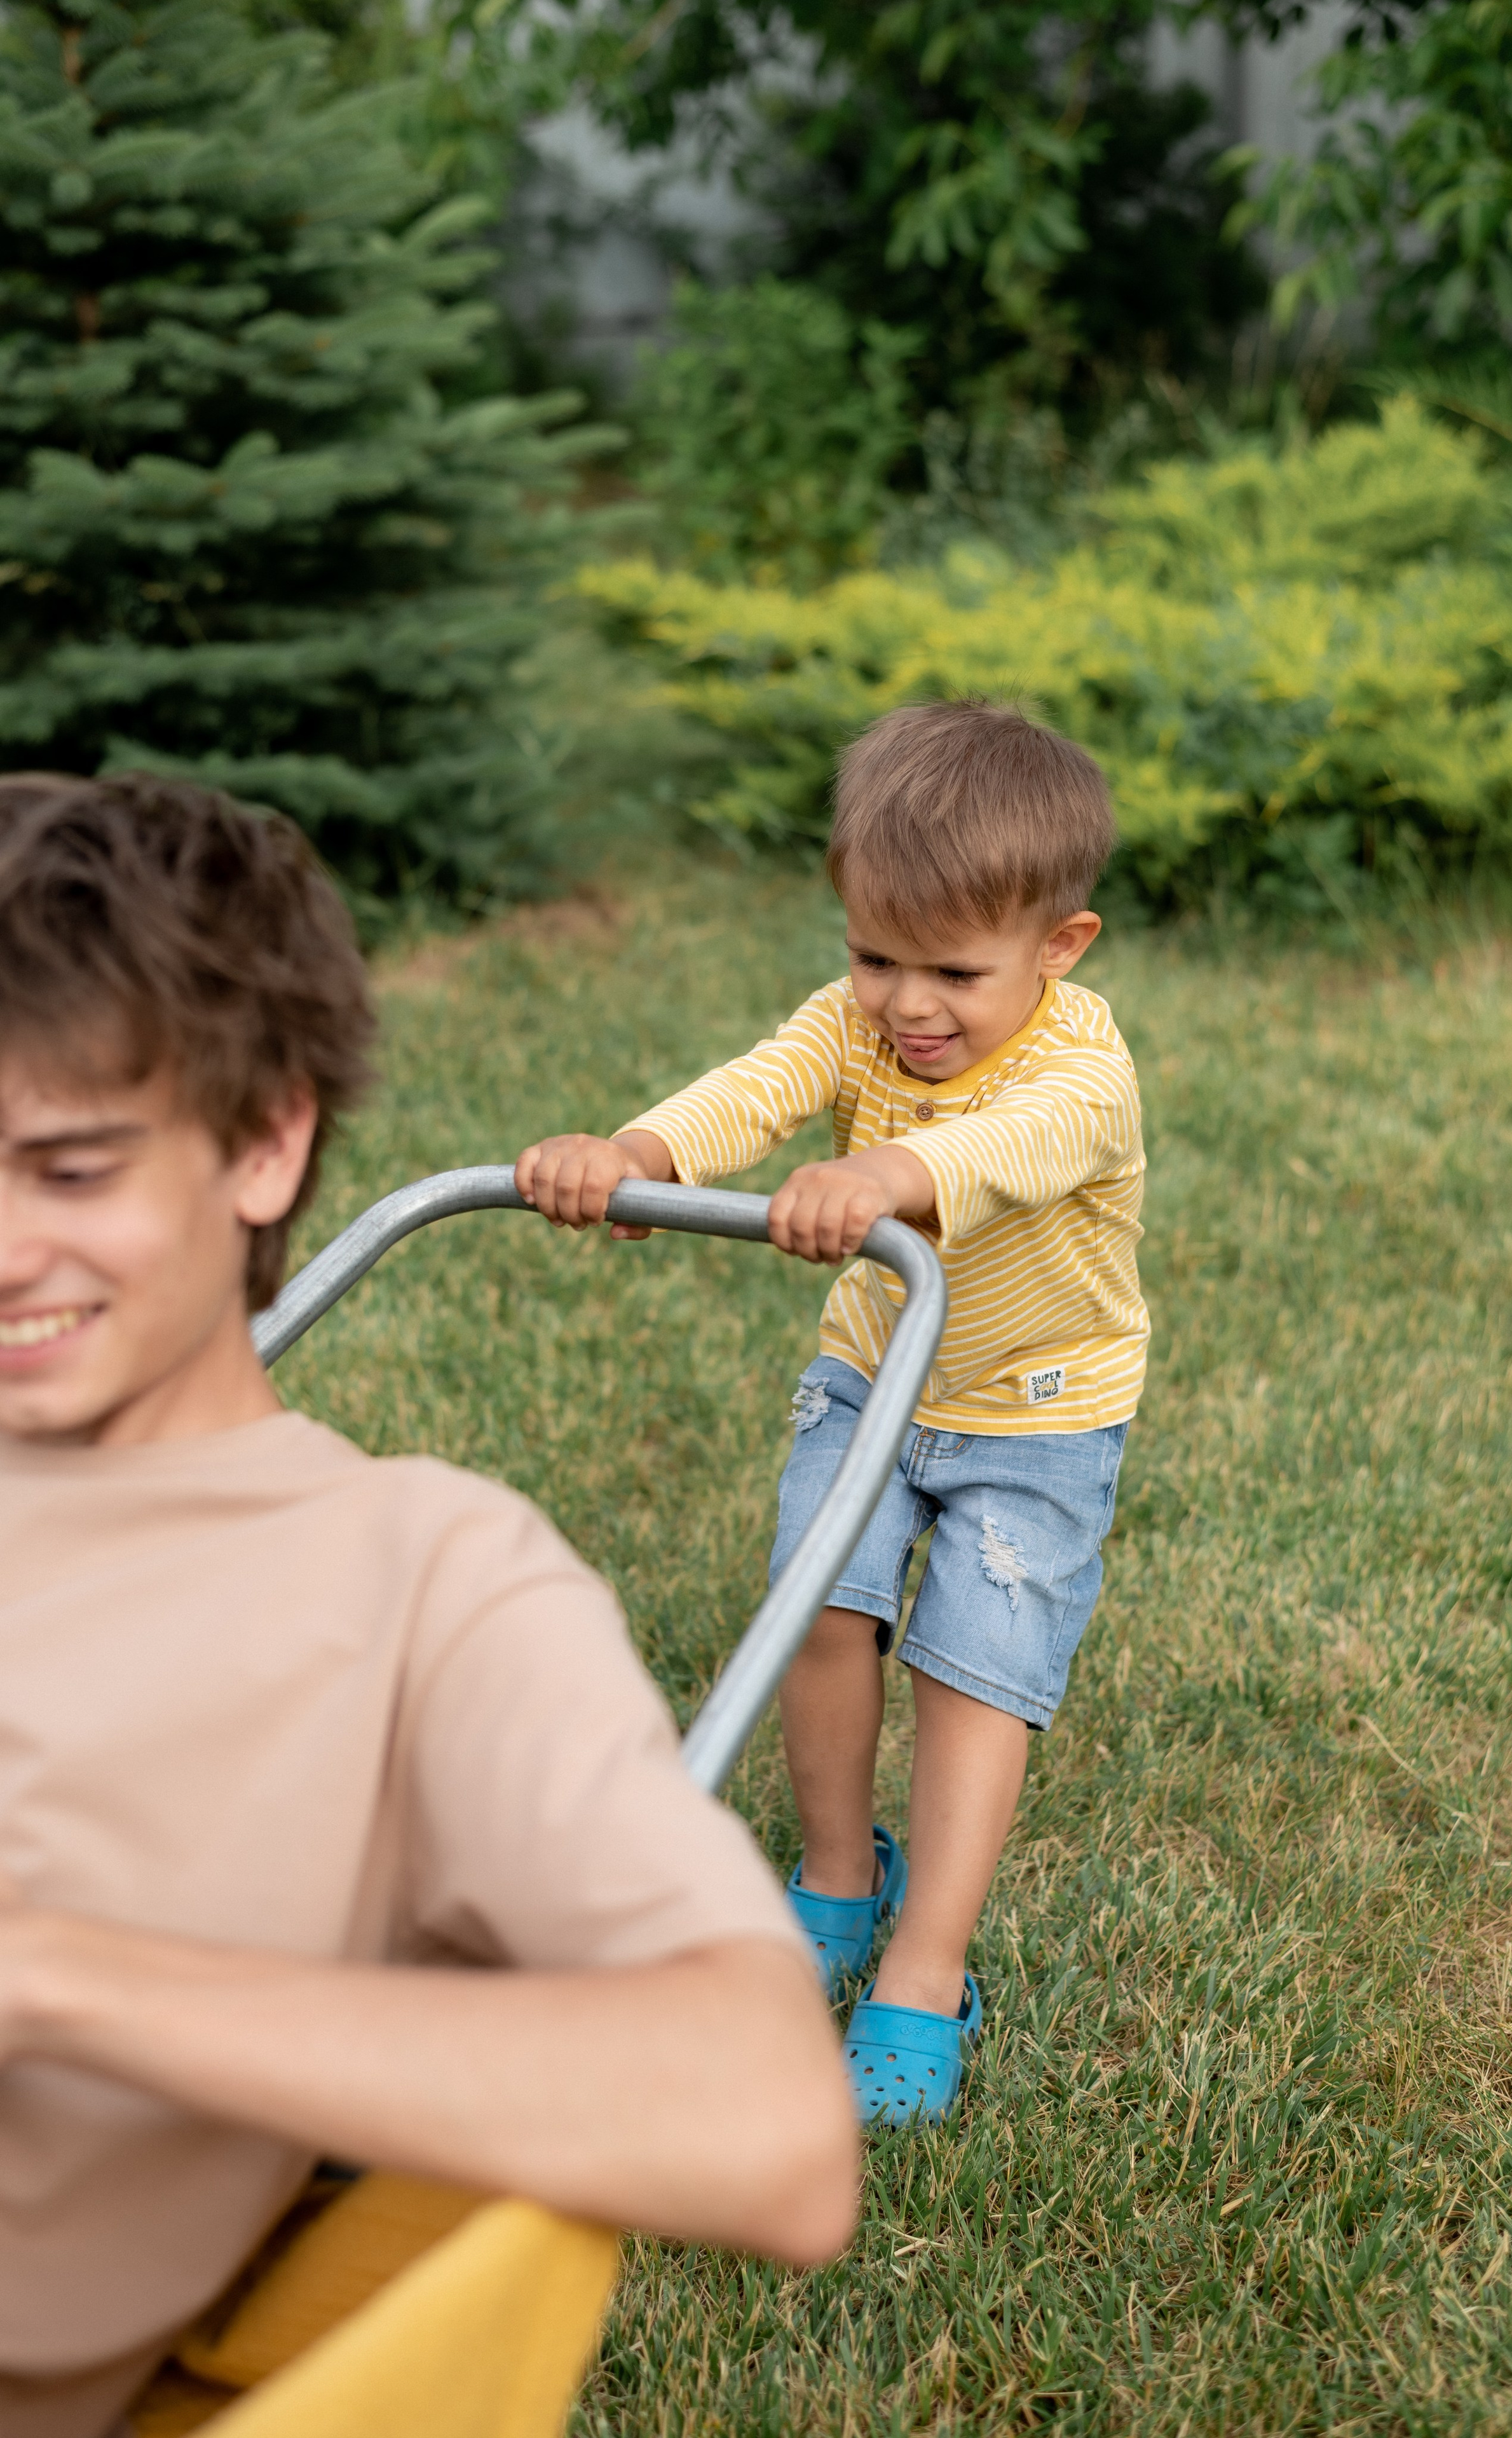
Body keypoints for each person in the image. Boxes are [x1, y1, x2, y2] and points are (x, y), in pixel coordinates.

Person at [0, 772, 857, 2438]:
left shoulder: (416, 1584)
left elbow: (765, 2123)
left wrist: (43, 1972)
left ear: (266, 1140)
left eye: (71, 1167)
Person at [515, 698, 1148, 2130]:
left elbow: (1008, 1143)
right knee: (818, 1609)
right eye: (872, 956)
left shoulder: (1081, 1072)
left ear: (1059, 948)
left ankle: (922, 1976)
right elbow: (764, 1086)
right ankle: (835, 1881)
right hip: (874, 1372)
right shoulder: (852, 1021)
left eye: (951, 971)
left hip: (1036, 1417)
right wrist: (636, 1150)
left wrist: (885, 1178)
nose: (905, 1004)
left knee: (973, 1672)